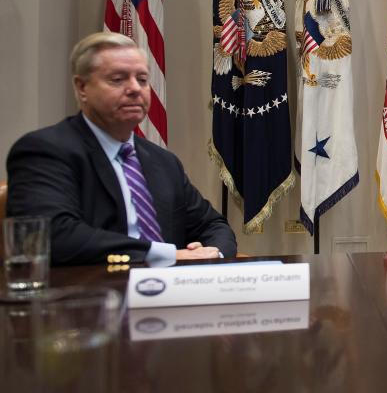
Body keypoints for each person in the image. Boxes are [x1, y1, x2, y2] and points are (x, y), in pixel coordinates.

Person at [6, 32, 237, 265]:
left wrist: (212, 252)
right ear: (82, 87)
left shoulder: (163, 161)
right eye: (118, 79)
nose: (135, 89)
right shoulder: (45, 151)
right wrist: (166, 255)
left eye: (143, 79)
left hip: (172, 293)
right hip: (92, 293)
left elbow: (213, 225)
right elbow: (54, 235)